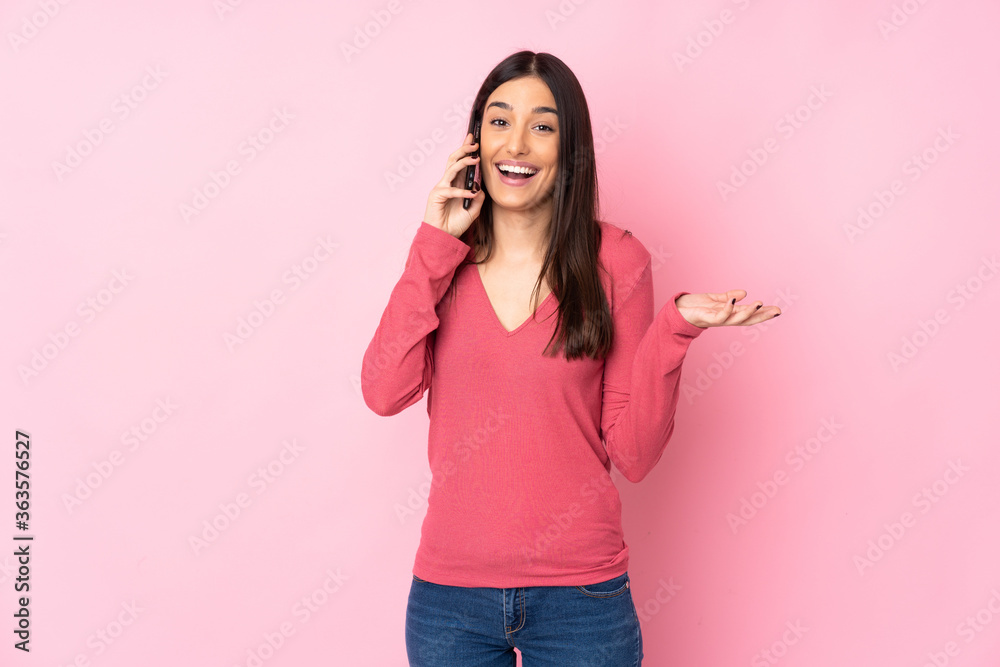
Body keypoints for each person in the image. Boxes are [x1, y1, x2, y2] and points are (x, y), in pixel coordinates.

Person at [362, 50, 780, 667]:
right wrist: (433, 244)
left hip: (581, 599)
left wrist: (674, 331)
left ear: (570, 147)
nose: (517, 144)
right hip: (449, 601)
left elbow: (633, 455)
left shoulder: (618, 261)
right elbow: (383, 392)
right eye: (499, 121)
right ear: (475, 141)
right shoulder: (443, 261)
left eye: (543, 125)